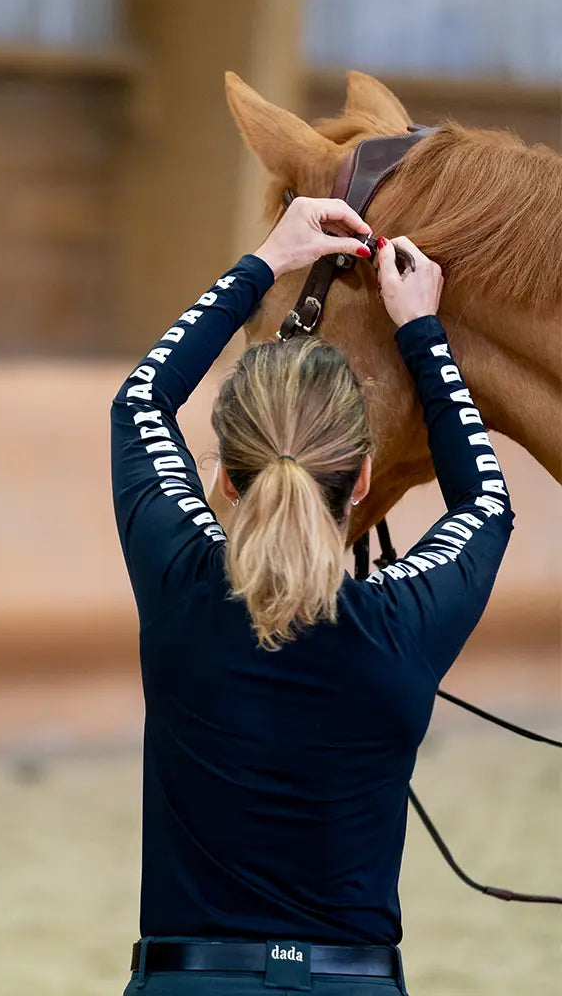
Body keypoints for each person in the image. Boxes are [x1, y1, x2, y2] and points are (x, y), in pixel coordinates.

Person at [110, 196, 513, 995]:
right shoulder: (399, 624)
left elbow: (140, 401)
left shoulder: (182, 581)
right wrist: (421, 331)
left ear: (223, 478)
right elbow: (487, 505)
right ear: (362, 482)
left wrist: (264, 261)